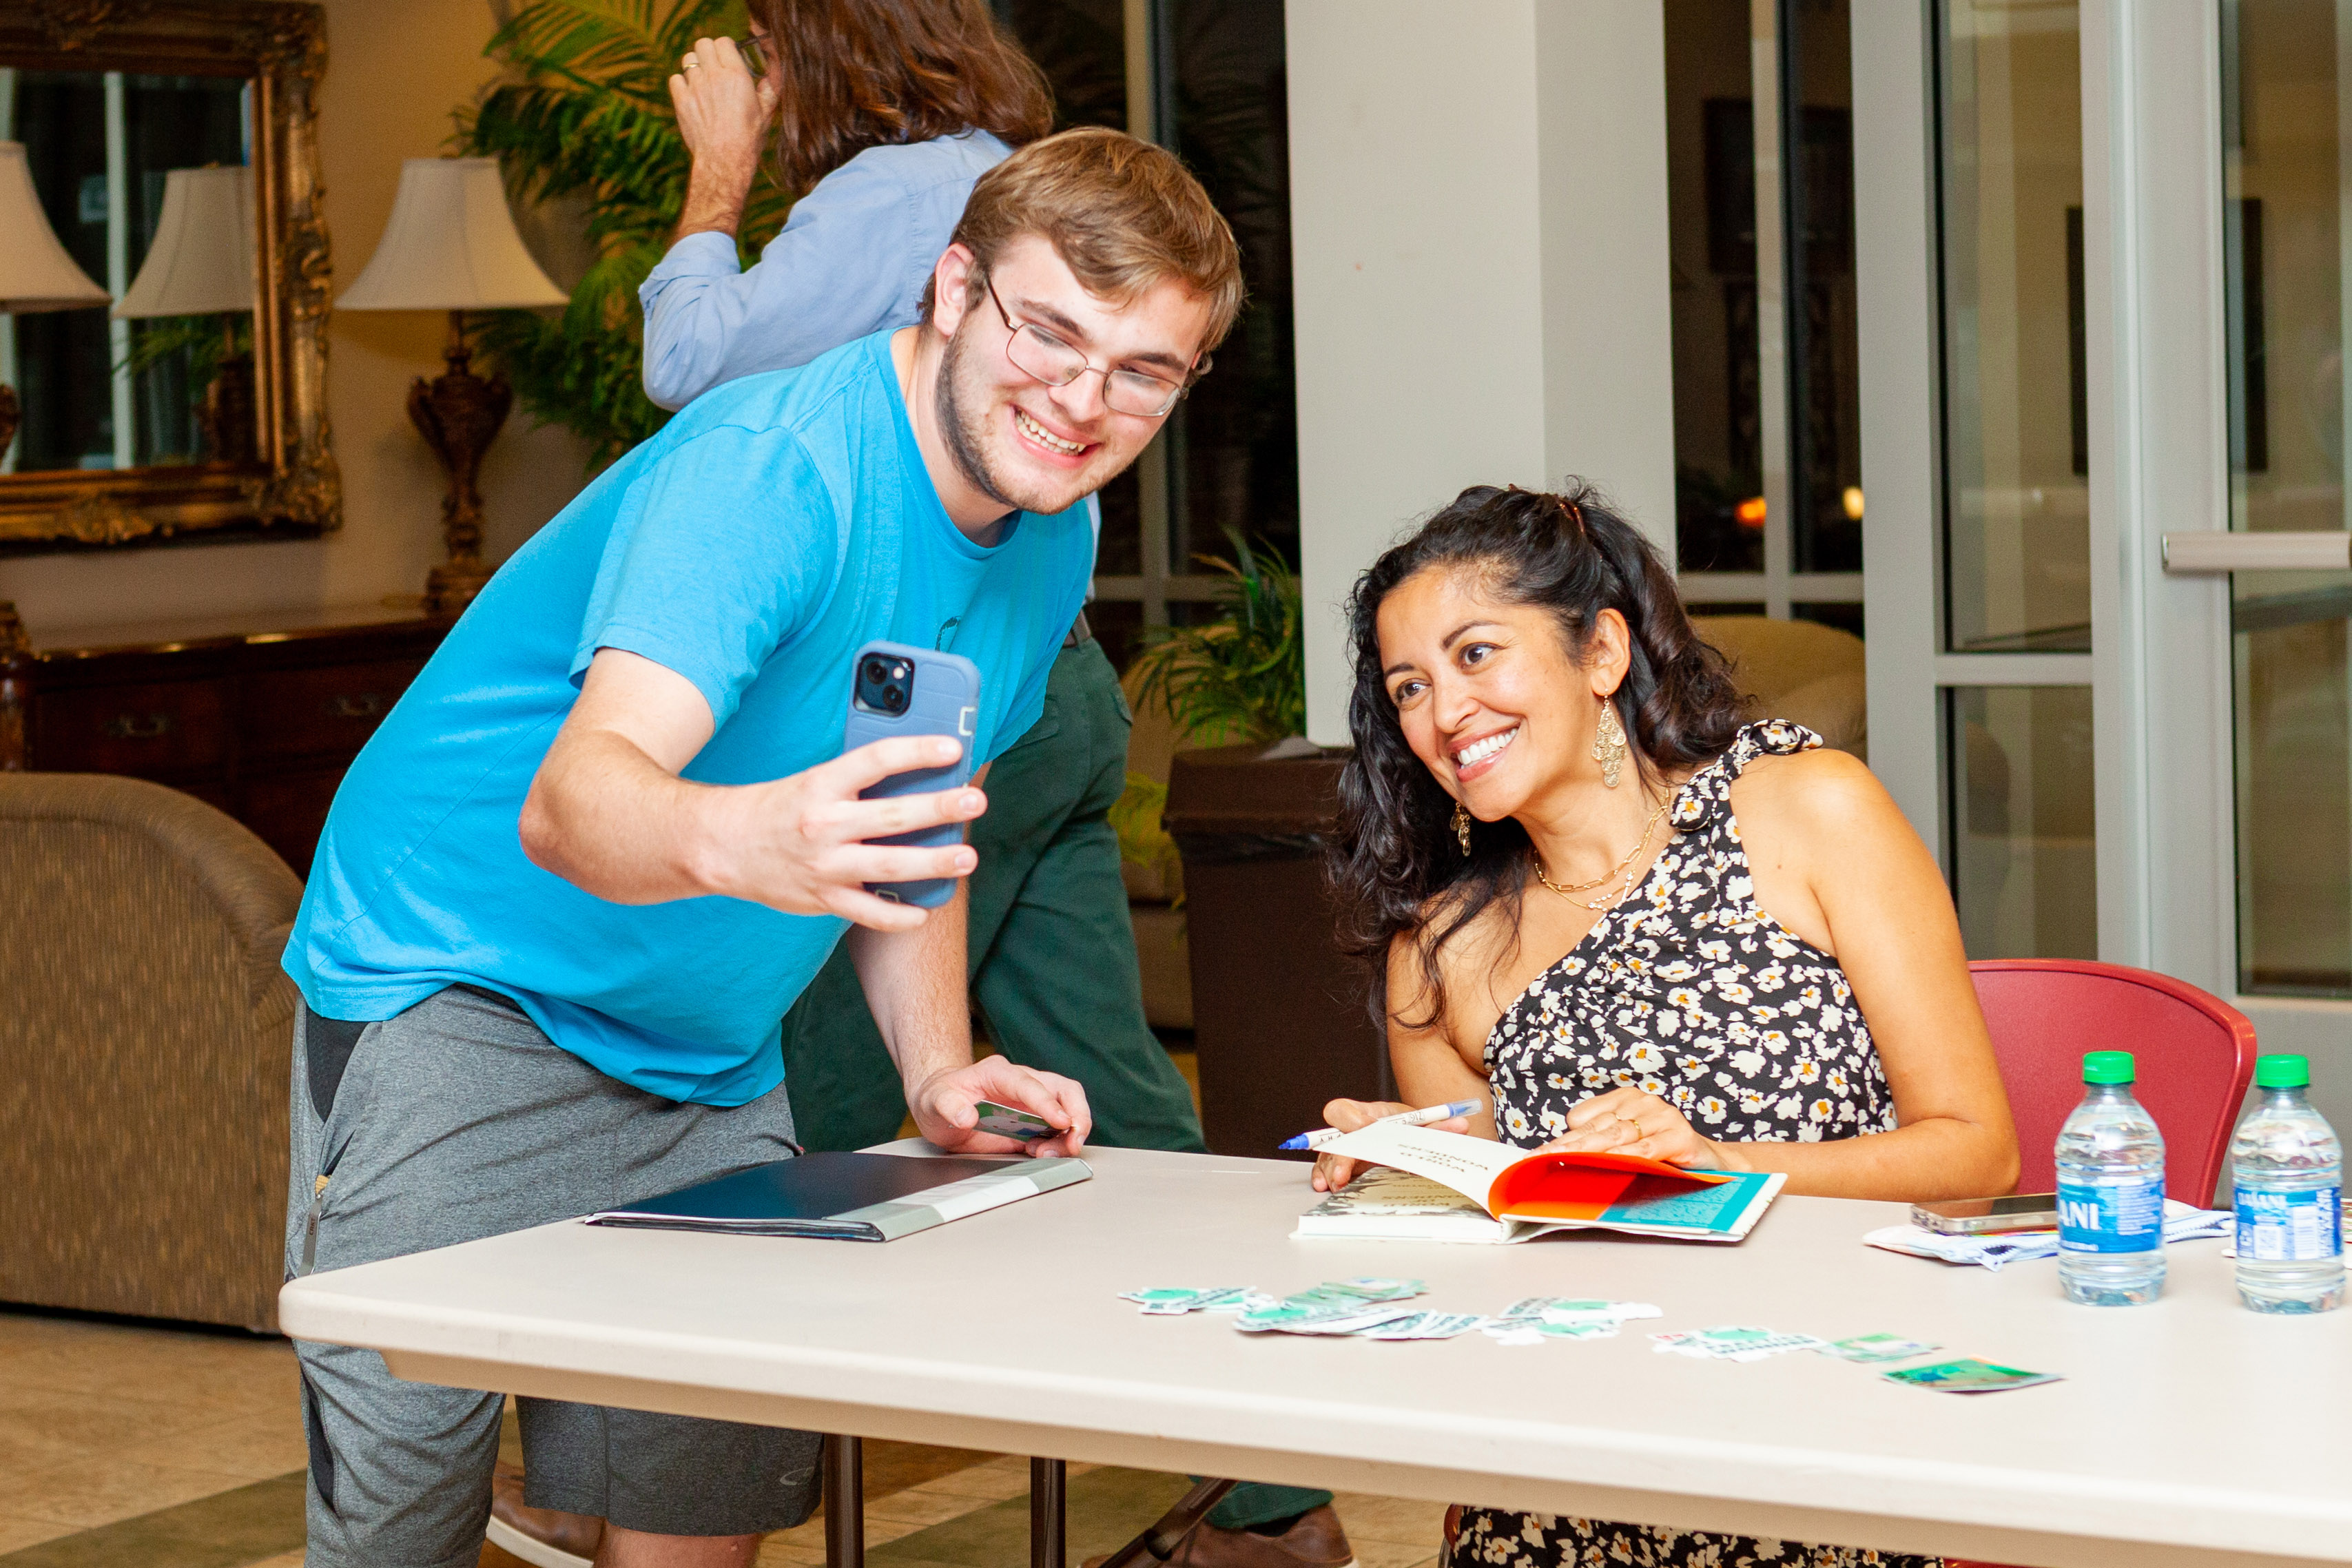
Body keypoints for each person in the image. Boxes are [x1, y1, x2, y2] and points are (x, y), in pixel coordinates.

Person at [282, 127, 1238, 1568]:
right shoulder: (774, 475)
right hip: (462, 991)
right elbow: (576, 799)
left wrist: (933, 1069)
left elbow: (918, 795)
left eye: (1142, 372)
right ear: (955, 286)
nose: (1083, 401)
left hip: (709, 1050)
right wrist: (756, 831)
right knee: (402, 1534)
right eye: (1050, 332)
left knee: (695, 1520)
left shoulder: (1055, 527)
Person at [1317, 482, 2020, 1568]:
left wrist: (1715, 1167)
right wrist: (1415, 1166)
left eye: (1475, 655)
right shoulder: (1441, 950)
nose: (1443, 713)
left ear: (1600, 652)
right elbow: (1509, 1230)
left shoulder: (1804, 810)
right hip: (1578, 1437)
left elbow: (1976, 1154)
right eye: (1408, 686)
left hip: (1827, 1405)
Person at [642, 0, 1206, 1158]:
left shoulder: (897, 190)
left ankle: (791, 1271)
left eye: (769, 48)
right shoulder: (1020, 175)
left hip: (945, 685)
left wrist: (718, 170)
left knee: (827, 1077)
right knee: (1099, 1074)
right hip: (1067, 681)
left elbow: (686, 363)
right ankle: (1193, 1290)